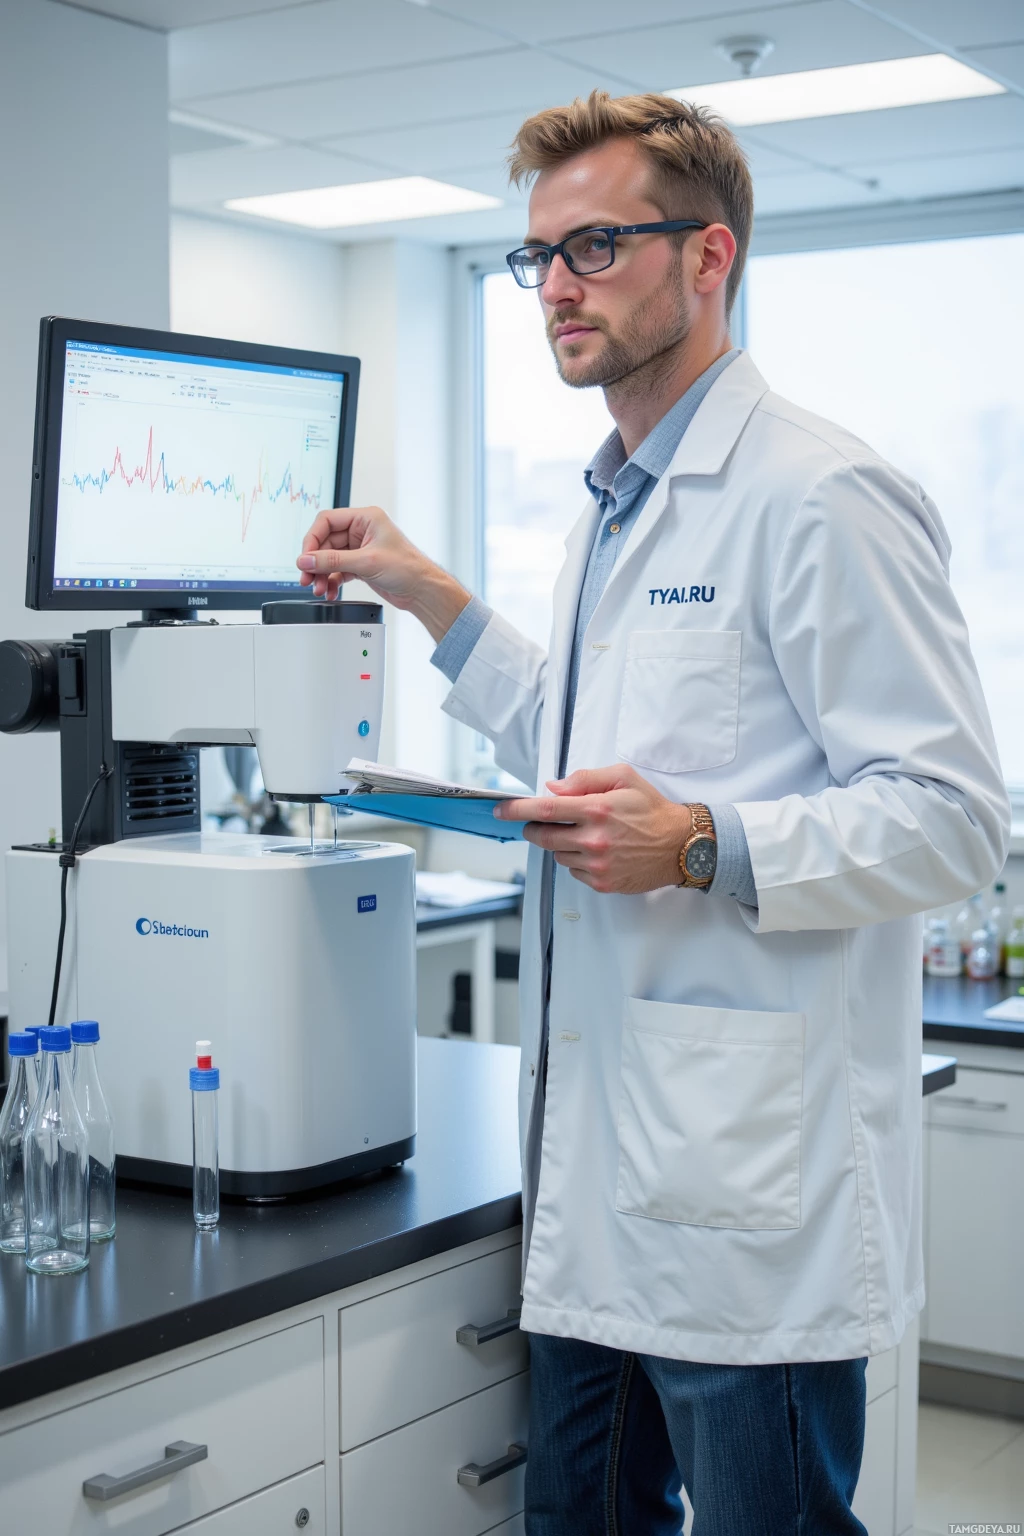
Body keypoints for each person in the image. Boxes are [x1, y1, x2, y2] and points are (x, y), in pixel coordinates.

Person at [297, 91, 1010, 1535]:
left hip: (749, 1204)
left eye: (598, 246)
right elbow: (586, 746)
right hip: (596, 1189)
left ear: (709, 257)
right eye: (539, 256)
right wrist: (424, 589)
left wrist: (695, 843)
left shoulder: (821, 494)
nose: (557, 285)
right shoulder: (612, 509)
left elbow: (951, 819)